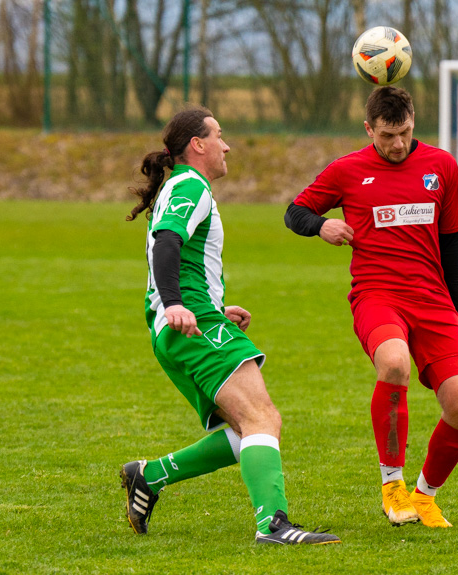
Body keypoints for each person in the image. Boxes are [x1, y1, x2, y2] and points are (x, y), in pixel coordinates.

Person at [122, 106, 340, 545]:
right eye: (219, 136)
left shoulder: (184, 186)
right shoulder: (190, 185)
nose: (226, 145)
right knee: (262, 417)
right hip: (190, 323)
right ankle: (274, 526)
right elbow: (167, 242)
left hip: (190, 321)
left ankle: (149, 476)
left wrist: (214, 306)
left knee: (246, 429)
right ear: (196, 145)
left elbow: (180, 258)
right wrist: (177, 304)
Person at [285, 86, 458, 528]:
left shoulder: (441, 166)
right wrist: (321, 226)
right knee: (393, 364)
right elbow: (295, 211)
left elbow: (453, 243)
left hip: (433, 299)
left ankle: (425, 496)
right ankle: (392, 486)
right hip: (376, 294)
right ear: (368, 129)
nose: (397, 144)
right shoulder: (347, 170)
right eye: (388, 135)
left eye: (405, 133)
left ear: (414, 123)